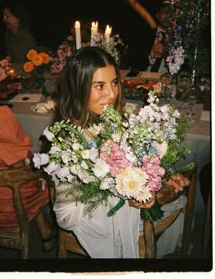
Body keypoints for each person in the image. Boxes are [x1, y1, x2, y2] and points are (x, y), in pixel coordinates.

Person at [51, 46, 189, 258]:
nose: (112, 93)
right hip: (101, 225)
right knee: (175, 203)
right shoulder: (69, 142)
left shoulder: (112, 120)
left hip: (123, 211)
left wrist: (153, 182)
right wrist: (124, 195)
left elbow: (134, 164)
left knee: (178, 195)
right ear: (78, 88)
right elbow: (66, 216)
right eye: (100, 86)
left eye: (114, 83)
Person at [0, 51, 57, 252]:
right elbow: (19, 165)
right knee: (44, 170)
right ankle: (50, 231)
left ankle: (45, 231)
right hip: (0, 206)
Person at [146, 6, 168, 73]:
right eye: (164, 13)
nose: (168, 16)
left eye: (170, 13)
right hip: (146, 76)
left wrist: (165, 52)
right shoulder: (148, 34)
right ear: (157, 16)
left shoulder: (179, 37)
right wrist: (151, 56)